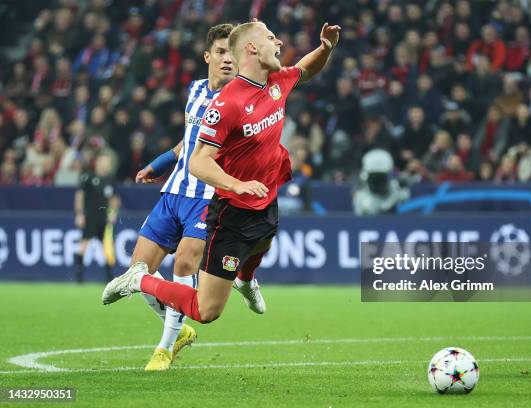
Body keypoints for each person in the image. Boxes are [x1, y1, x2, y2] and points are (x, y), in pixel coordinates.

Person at [102, 21, 340, 335]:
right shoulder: (227, 104)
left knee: (263, 241)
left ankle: (245, 278)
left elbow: (305, 69)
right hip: (231, 211)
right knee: (206, 310)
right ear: (252, 49)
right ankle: (139, 279)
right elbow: (198, 162)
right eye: (271, 38)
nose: (279, 42)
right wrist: (237, 184)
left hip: (263, 197)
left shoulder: (276, 81)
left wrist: (325, 48)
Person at [115, 24, 258, 372]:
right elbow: (187, 144)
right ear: (208, 56)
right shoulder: (194, 91)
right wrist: (160, 163)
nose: (228, 59)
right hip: (173, 192)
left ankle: (164, 348)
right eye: (221, 52)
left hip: (208, 196)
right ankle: (178, 327)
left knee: (183, 263)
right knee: (139, 271)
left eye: (233, 53)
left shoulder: (242, 99)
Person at [74, 153, 120, 283]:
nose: (106, 165)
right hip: (90, 217)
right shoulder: (88, 177)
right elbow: (79, 196)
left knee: (108, 246)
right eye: (104, 162)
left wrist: (113, 213)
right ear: (98, 162)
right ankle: (79, 276)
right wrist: (79, 214)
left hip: (104, 219)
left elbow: (114, 199)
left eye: (108, 163)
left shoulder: (110, 180)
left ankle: (109, 277)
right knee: (84, 244)